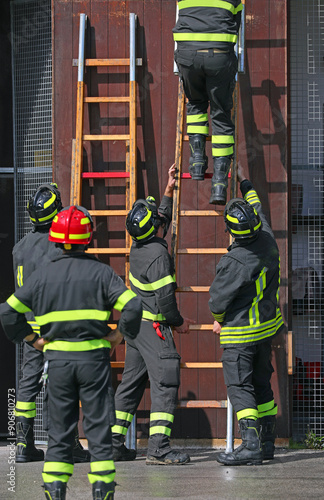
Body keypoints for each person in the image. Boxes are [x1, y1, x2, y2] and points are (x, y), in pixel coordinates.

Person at [0, 205, 142, 500]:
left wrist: (32, 340)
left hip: (59, 364)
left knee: (60, 432)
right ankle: (102, 493)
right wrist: (117, 336)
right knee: (99, 430)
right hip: (94, 363)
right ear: (87, 238)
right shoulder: (102, 273)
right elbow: (133, 305)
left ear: (54, 238)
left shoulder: (42, 277)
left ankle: (55, 492)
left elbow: (8, 311)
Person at [112, 164, 194, 465]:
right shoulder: (159, 255)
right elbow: (167, 302)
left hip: (135, 328)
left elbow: (160, 220)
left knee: (130, 385)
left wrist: (169, 189)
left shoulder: (139, 246)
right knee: (165, 382)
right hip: (153, 329)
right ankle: (158, 448)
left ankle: (113, 443)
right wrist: (180, 323)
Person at [208, 165, 285, 465]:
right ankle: (267, 443)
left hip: (240, 333)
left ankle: (250, 444)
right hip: (266, 329)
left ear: (230, 232)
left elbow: (218, 300)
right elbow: (256, 203)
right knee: (262, 383)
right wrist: (243, 180)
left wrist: (217, 318)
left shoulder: (234, 261)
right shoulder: (266, 236)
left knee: (240, 386)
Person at [12, 183, 90, 464]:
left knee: (28, 382)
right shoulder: (59, 245)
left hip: (31, 327)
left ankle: (24, 445)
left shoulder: (19, 248)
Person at [173, 0, 243, 205]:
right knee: (220, 114)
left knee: (195, 103)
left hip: (187, 56)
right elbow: (236, 24)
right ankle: (220, 184)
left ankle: (196, 163)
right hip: (219, 57)